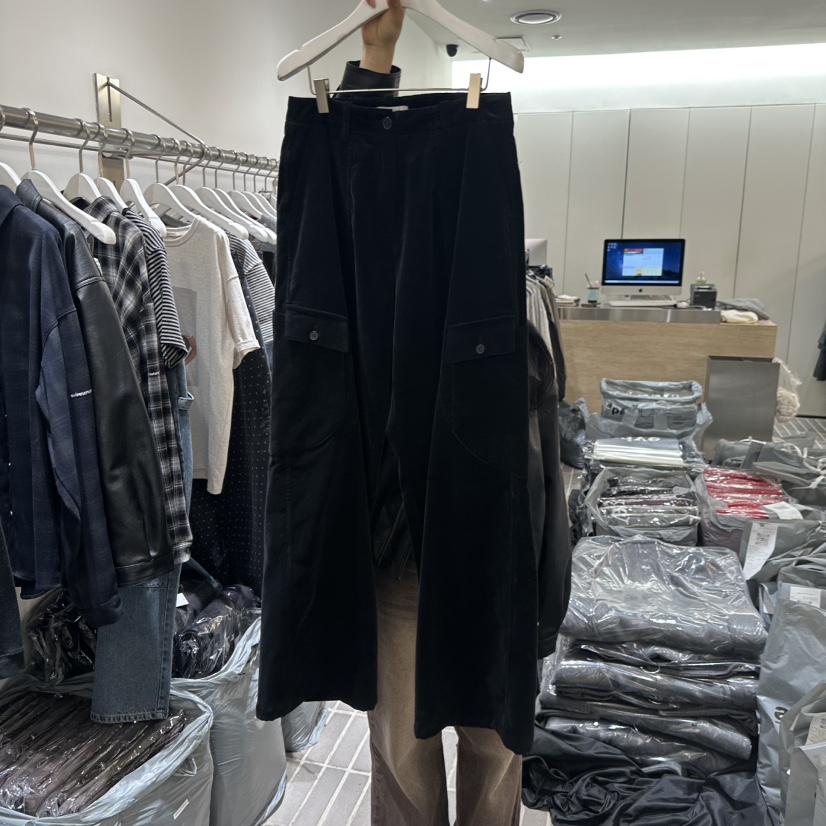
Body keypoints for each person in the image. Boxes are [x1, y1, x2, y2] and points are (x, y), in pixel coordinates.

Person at [329, 3, 572, 824]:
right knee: (405, 746)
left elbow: (546, 465)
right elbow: (361, 203)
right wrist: (375, 59)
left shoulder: (516, 314)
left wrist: (544, 596)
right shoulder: (373, 295)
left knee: (494, 745)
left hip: (489, 556)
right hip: (400, 553)